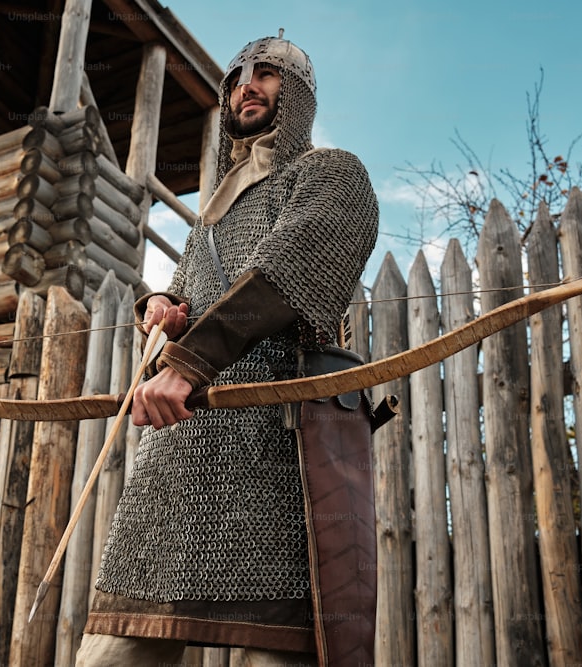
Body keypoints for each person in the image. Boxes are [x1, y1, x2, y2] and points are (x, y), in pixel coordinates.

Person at [77, 32, 380, 666]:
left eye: (267, 74)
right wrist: (162, 307)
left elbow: (286, 273)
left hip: (279, 449)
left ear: (296, 96)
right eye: (239, 75)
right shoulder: (210, 221)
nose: (247, 84)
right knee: (113, 653)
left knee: (271, 650)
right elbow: (192, 296)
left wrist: (186, 364)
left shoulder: (333, 175)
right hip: (183, 456)